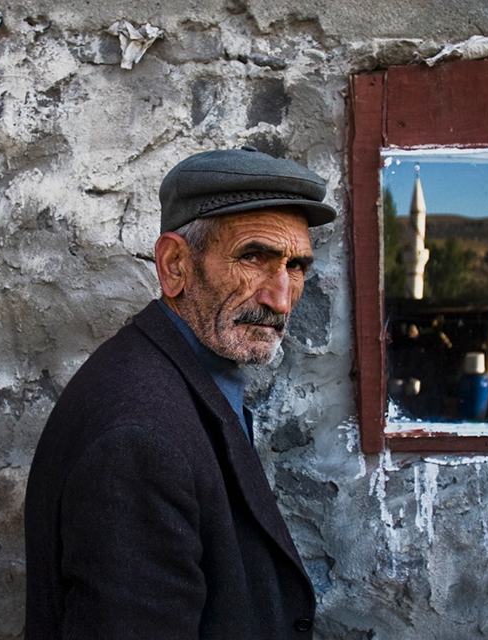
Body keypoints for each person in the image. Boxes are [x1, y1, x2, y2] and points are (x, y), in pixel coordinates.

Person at [24, 146, 336, 639]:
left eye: (296, 266)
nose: (280, 297)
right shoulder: (139, 439)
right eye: (253, 257)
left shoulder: (178, 378)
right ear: (174, 265)